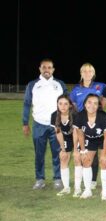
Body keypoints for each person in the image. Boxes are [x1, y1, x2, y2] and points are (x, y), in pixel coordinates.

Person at [22, 58, 68, 190]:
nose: (46, 70)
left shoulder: (59, 84)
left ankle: (58, 178)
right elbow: (26, 104)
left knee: (57, 153)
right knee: (39, 154)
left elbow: (66, 103)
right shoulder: (32, 84)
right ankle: (40, 179)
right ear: (40, 69)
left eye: (49, 67)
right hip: (39, 124)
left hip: (56, 125)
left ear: (53, 69)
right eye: (44, 67)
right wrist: (25, 123)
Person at [69, 63, 106, 190]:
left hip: (98, 123)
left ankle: (93, 180)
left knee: (96, 154)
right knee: (83, 154)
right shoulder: (75, 90)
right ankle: (80, 182)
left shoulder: (101, 86)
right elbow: (73, 106)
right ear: (81, 73)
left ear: (93, 73)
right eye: (84, 71)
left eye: (90, 71)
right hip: (82, 125)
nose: (87, 73)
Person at [73, 94, 106, 199]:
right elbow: (80, 134)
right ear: (85, 104)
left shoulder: (103, 116)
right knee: (86, 161)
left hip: (103, 139)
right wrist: (83, 150)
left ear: (98, 105)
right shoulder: (80, 116)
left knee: (104, 161)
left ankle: (105, 190)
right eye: (89, 102)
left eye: (95, 103)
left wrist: (103, 154)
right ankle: (88, 190)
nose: (92, 105)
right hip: (89, 139)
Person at [50, 95, 78, 196]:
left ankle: (78, 187)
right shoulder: (54, 115)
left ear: (70, 105)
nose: (63, 106)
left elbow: (76, 133)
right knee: (63, 158)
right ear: (57, 105)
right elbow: (58, 133)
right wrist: (63, 149)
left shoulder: (75, 115)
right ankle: (66, 187)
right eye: (60, 104)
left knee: (77, 159)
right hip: (65, 138)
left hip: (77, 137)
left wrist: (75, 149)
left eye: (66, 104)